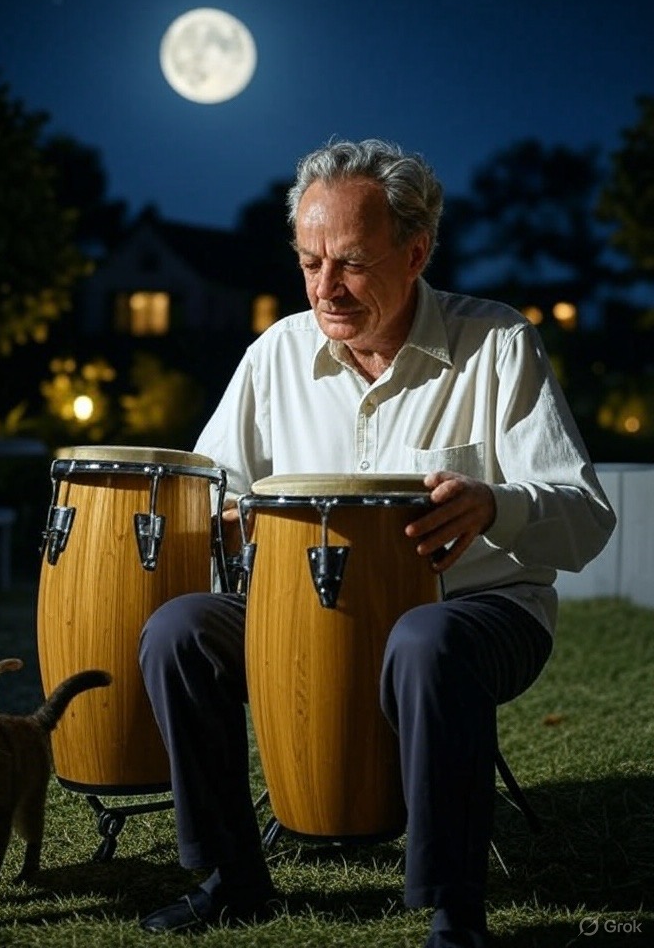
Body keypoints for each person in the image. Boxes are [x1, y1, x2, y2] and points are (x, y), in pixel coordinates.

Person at [138, 138, 615, 947]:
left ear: (416, 251)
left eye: (352, 263)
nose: (326, 287)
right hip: (302, 618)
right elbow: (209, 488)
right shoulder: (274, 355)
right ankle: (231, 878)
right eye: (310, 260)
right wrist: (220, 517)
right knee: (179, 630)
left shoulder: (496, 344)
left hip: (479, 611)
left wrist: (494, 503)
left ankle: (453, 910)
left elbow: (586, 514)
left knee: (425, 638)